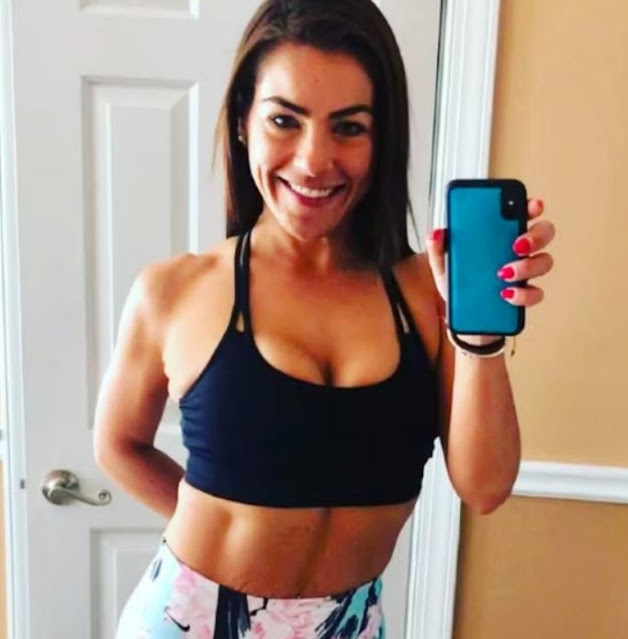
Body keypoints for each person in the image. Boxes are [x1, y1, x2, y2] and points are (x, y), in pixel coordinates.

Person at [93, 0, 556, 637]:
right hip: (189, 618)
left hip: (350, 624)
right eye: (284, 120)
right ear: (242, 122)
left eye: (349, 127)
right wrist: (217, 541)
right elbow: (117, 444)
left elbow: (485, 487)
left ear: (381, 140)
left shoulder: (429, 294)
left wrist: (478, 336)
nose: (314, 160)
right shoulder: (175, 291)